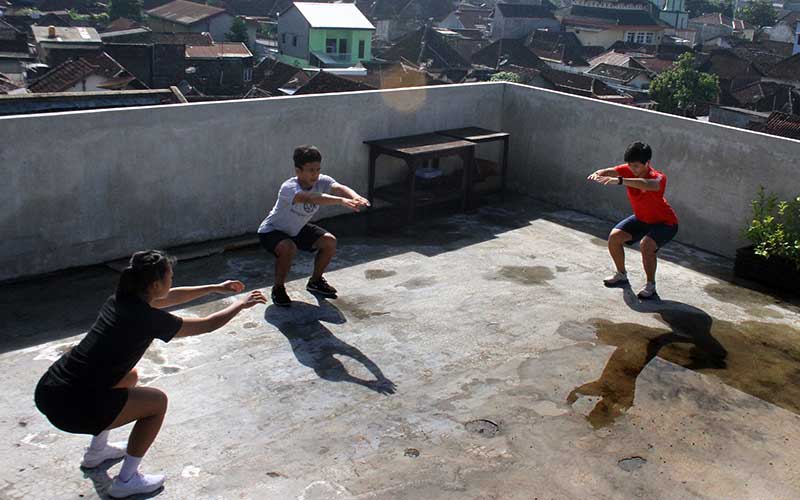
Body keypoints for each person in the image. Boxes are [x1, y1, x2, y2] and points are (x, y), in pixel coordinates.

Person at [34, 250, 266, 498]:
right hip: (72, 409)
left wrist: (215, 288)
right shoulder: (147, 318)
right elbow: (207, 324)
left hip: (50, 390)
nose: (172, 281)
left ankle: (97, 453)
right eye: (170, 277)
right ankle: (127, 480)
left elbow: (168, 297)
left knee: (130, 376)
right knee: (157, 403)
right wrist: (240, 304)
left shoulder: (121, 299)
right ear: (156, 284)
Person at [257, 145, 370, 306]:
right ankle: (278, 288)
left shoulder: (321, 180)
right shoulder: (289, 187)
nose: (315, 174)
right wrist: (342, 201)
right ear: (298, 171)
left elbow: (338, 187)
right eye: (310, 170)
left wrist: (355, 196)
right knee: (288, 247)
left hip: (297, 228)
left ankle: (315, 282)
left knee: (329, 241)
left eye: (317, 169)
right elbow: (311, 198)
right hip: (272, 231)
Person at [587, 142, 679, 299]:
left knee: (646, 245)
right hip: (642, 219)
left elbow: (649, 185)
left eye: (636, 166)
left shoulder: (658, 177)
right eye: (630, 165)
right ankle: (621, 274)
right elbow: (612, 171)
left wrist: (621, 180)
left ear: (647, 163)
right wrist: (599, 173)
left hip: (665, 224)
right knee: (614, 238)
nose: (632, 169)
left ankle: (651, 285)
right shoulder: (629, 169)